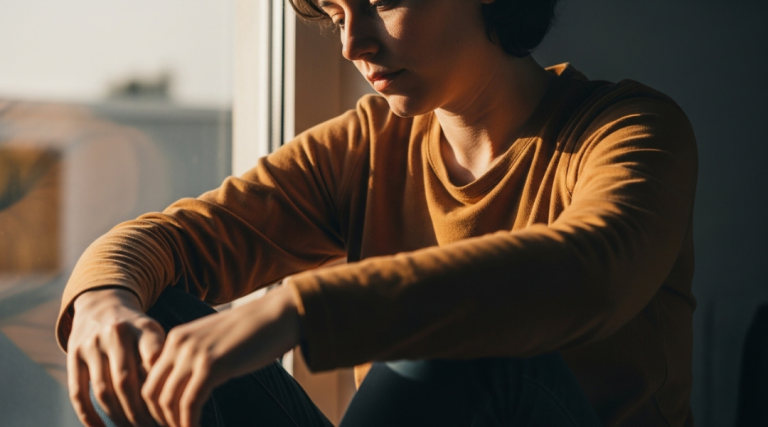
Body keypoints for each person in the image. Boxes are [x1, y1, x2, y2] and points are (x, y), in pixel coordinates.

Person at [57, 0, 698, 426]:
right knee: (148, 321)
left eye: (383, 0)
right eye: (336, 12)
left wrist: (297, 307)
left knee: (462, 339)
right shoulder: (367, 148)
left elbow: (593, 274)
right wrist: (102, 303)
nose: (352, 43)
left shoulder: (628, 128)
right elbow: (170, 239)